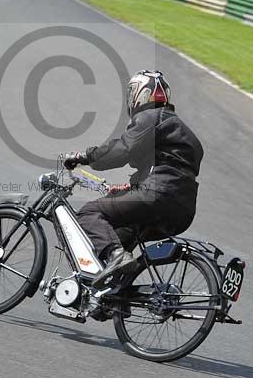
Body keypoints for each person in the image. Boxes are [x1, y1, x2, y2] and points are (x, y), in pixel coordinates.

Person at [64, 70, 204, 289]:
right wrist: (131, 187)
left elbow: (121, 151)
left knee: (89, 213)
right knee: (120, 234)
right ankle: (115, 296)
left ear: (140, 94)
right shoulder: (177, 128)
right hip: (182, 210)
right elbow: (164, 168)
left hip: (157, 196)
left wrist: (85, 156)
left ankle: (117, 258)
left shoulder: (151, 117)